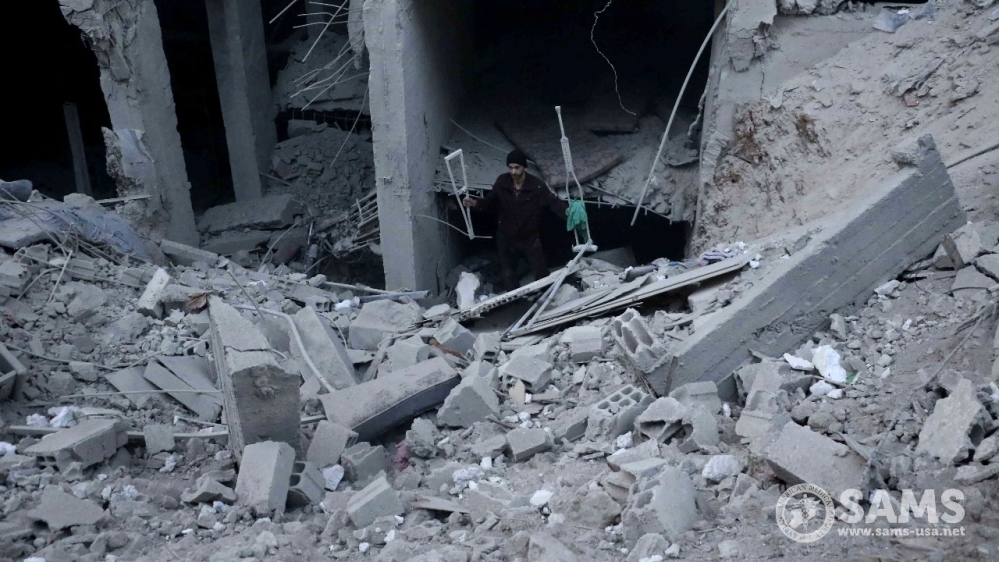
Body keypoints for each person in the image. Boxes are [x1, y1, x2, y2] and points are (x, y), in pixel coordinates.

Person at [463, 149, 567, 289]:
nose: (513, 172)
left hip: (529, 237)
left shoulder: (536, 186)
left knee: (541, 273)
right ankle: (516, 304)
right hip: (506, 236)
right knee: (508, 273)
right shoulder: (502, 182)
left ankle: (547, 298)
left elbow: (552, 204)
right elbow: (490, 202)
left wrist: (569, 215)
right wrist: (475, 203)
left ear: (524, 167)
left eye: (517, 168)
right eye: (510, 168)